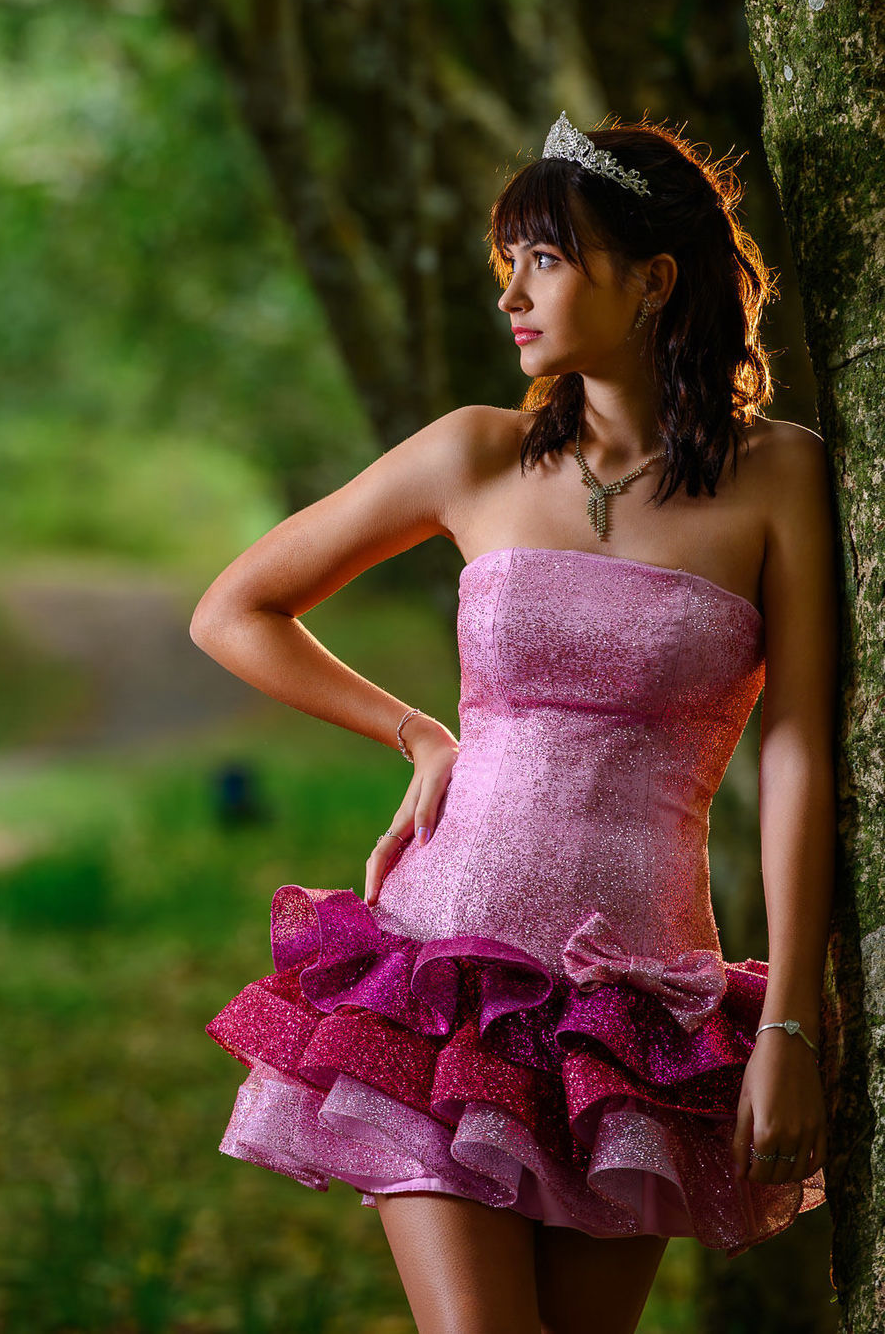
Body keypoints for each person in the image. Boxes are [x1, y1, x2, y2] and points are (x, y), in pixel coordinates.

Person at [190, 113, 835, 1334]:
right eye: (509, 266)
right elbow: (237, 610)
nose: (512, 298)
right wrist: (416, 733)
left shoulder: (781, 476)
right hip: (444, 971)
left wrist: (791, 1018)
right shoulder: (473, 455)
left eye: (544, 259)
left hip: (635, 1008)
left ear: (652, 280)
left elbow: (799, 747)